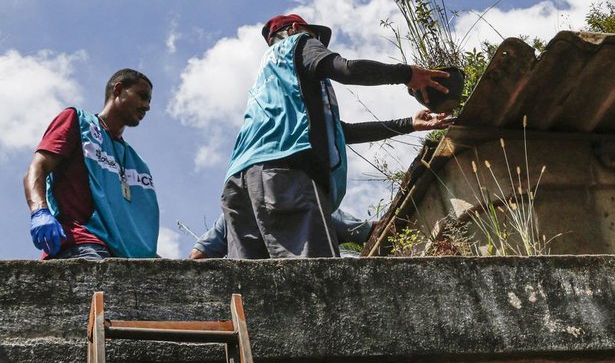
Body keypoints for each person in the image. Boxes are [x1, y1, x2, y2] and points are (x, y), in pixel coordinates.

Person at [222, 13, 451, 259]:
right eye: (315, 37)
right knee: (317, 278)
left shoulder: (268, 80)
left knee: (252, 288)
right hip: (283, 177)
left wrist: (408, 124)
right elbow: (347, 69)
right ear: (296, 28)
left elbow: (341, 132)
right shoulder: (297, 43)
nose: (318, 45)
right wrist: (407, 75)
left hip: (238, 187)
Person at [23, 69, 158, 260]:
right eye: (142, 96)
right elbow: (37, 168)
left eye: (149, 101)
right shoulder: (77, 121)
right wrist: (40, 211)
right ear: (118, 89)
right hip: (82, 243)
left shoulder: (137, 162)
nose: (147, 106)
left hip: (123, 256)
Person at [188, 209, 373, 259]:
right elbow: (363, 231)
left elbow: (197, 256)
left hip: (249, 301)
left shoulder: (232, 214)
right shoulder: (303, 194)